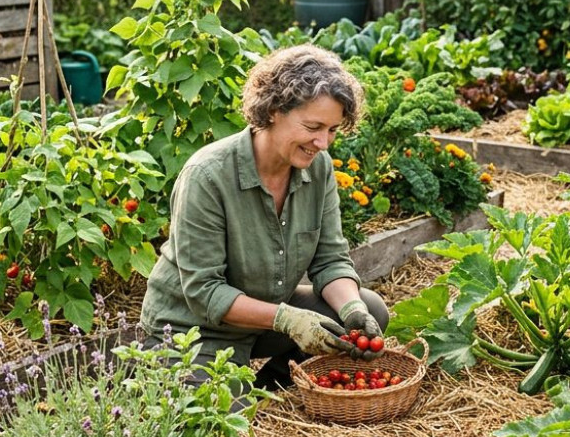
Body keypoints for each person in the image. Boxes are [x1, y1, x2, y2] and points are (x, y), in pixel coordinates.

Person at [139, 44, 389, 391]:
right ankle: (228, 385)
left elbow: (330, 260)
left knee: (370, 309)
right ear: (273, 110)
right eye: (313, 126)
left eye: (332, 129)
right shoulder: (208, 175)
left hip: (264, 320)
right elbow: (204, 292)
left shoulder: (317, 169)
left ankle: (274, 384)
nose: (323, 142)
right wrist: (287, 319)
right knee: (220, 410)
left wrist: (351, 310)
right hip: (193, 329)